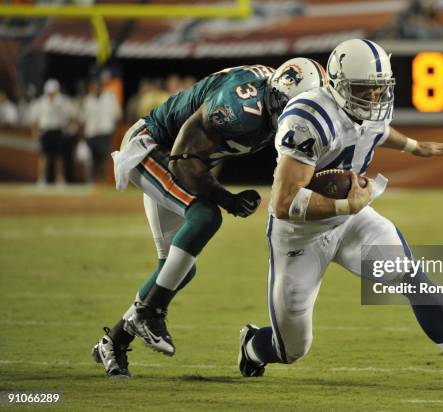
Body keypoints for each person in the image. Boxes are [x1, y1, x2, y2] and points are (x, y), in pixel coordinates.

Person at [238, 39, 443, 390]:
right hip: (301, 235)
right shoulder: (308, 119)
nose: (373, 97)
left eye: (378, 89)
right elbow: (283, 204)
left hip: (352, 221)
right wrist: (345, 205)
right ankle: (252, 346)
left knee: (412, 277)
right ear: (337, 84)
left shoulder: (370, 106)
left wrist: (416, 147)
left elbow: (378, 130)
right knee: (292, 348)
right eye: (363, 89)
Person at [91, 59, 327, 378]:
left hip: (176, 155)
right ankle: (149, 312)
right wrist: (226, 198)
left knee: (176, 270)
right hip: (152, 146)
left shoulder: (279, 92)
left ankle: (114, 341)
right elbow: (183, 157)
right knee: (206, 217)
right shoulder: (240, 106)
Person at [30, 79, 74, 185]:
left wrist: (67, 127)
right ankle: (41, 179)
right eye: (50, 92)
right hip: (45, 131)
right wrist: (34, 131)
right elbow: (34, 118)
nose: (51, 94)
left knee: (59, 157)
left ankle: (60, 178)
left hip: (58, 131)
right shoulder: (41, 102)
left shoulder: (62, 102)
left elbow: (72, 115)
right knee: (44, 156)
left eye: (53, 92)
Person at [81, 79, 122, 182]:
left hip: (105, 131)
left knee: (104, 156)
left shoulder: (109, 97)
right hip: (91, 132)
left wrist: (113, 126)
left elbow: (118, 114)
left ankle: (104, 179)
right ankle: (93, 179)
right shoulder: (87, 100)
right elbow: (82, 118)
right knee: (93, 158)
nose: (95, 88)